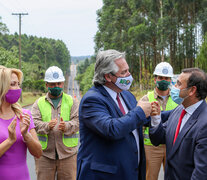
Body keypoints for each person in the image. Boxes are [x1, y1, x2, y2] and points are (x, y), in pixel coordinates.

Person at [77, 49, 152, 180]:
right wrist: (140, 111)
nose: (129, 75)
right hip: (104, 175)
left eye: (128, 70)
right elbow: (112, 129)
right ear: (107, 76)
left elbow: (140, 119)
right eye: (123, 72)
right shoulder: (92, 100)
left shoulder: (126, 95)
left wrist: (174, 113)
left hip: (130, 172)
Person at [149, 68, 207, 180]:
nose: (173, 87)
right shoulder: (179, 110)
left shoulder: (204, 123)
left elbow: (201, 172)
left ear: (191, 90)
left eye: (178, 84)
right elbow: (159, 138)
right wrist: (156, 118)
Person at [31, 66, 79, 180]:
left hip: (68, 155)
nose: (56, 87)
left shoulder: (72, 102)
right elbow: (34, 123)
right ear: (46, 85)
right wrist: (47, 126)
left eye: (58, 83)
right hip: (45, 155)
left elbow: (78, 121)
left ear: (63, 83)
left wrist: (67, 126)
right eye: (52, 84)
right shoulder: (39, 103)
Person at [0, 66, 42, 180]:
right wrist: (10, 140)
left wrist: (26, 135)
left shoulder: (24, 115)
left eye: (19, 84)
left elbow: (38, 153)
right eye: (13, 84)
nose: (18, 88)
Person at [141, 62, 177, 180]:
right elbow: (140, 123)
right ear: (155, 79)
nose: (163, 80)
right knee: (150, 177)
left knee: (173, 176)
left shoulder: (178, 99)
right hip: (151, 147)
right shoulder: (146, 99)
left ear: (171, 80)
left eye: (166, 78)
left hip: (172, 145)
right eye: (161, 78)